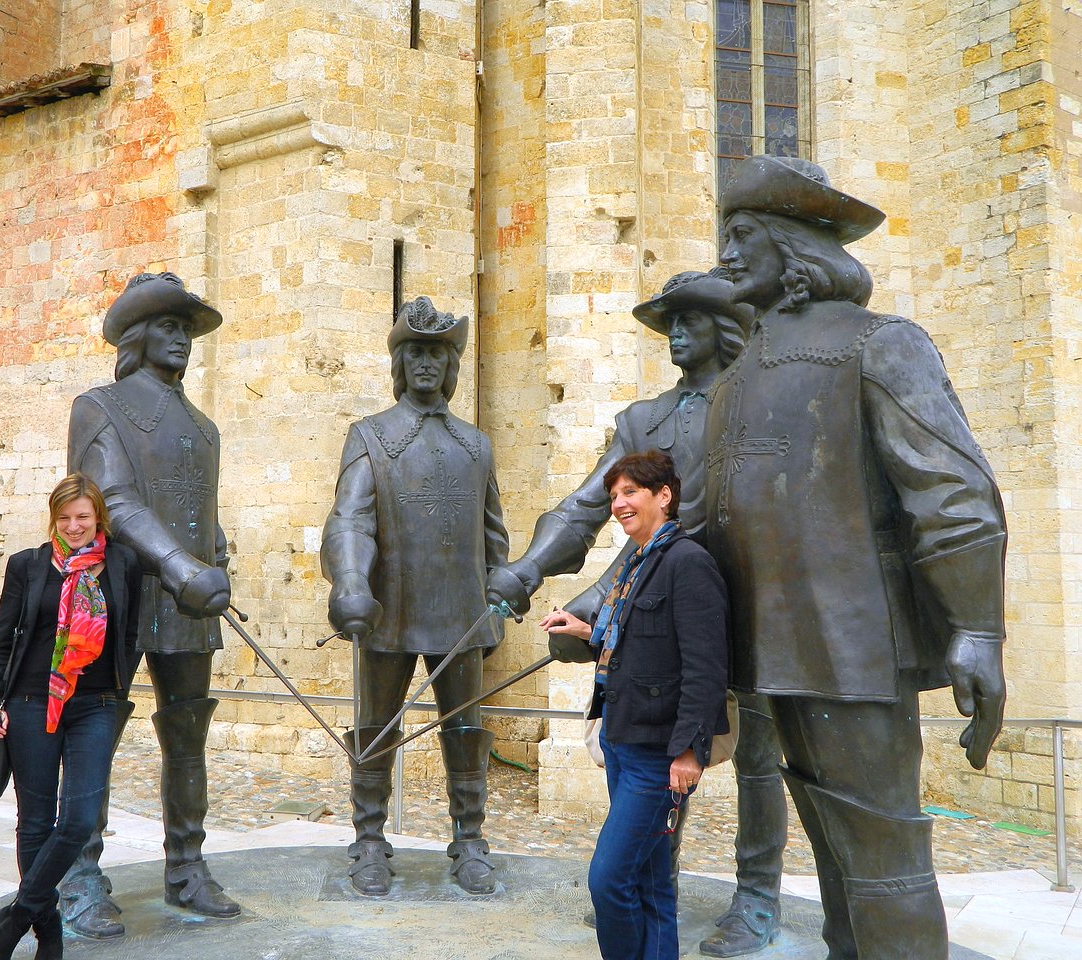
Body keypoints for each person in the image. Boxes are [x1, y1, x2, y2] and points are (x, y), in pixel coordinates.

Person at [707, 155, 1007, 959]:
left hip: (854, 650)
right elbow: (703, 521)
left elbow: (952, 494)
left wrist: (979, 629)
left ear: (792, 246)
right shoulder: (738, 377)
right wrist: (605, 609)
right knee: (837, 853)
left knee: (884, 858)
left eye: (742, 235)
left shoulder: (880, 343)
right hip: (775, 653)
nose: (726, 254)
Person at [485, 268, 787, 954]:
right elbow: (589, 505)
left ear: (723, 328)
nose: (675, 333)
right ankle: (651, 879)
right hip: (656, 578)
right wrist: (529, 569)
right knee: (630, 715)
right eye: (668, 322)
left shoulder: (757, 404)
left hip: (752, 591)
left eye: (690, 319)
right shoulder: (643, 420)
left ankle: (757, 894)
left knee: (758, 752)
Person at [61, 272, 238, 937]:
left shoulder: (203, 427)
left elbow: (197, 506)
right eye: (168, 326)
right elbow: (113, 499)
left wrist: (215, 551)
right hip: (116, 594)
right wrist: (182, 564)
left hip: (185, 603)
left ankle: (187, 866)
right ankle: (78, 876)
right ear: (138, 335)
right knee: (94, 733)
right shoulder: (99, 407)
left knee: (188, 732)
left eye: (186, 329)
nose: (181, 339)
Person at [321, 296, 511, 896]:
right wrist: (351, 582)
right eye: (416, 353)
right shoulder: (371, 436)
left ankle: (470, 838)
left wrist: (500, 594)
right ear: (400, 363)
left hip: (461, 613)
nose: (427, 363)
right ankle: (369, 838)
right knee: (375, 726)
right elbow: (349, 520)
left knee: (465, 729)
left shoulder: (476, 444)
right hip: (390, 611)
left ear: (451, 365)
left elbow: (493, 532)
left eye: (437, 353)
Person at [540, 450, 729, 960]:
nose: (619, 504)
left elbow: (706, 668)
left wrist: (690, 751)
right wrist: (585, 630)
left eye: (630, 492)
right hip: (621, 739)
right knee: (650, 881)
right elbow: (638, 642)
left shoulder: (688, 563)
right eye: (614, 496)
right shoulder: (638, 562)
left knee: (608, 880)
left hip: (658, 754)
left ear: (664, 496)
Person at [0, 474, 142, 960]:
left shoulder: (123, 564)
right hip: (31, 703)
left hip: (95, 705)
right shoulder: (27, 566)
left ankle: (15, 920)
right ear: (54, 518)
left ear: (98, 518)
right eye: (65, 517)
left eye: (82, 517)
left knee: (79, 820)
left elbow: (129, 635)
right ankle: (49, 933)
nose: (74, 526)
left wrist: (117, 688)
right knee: (34, 823)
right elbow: (2, 641)